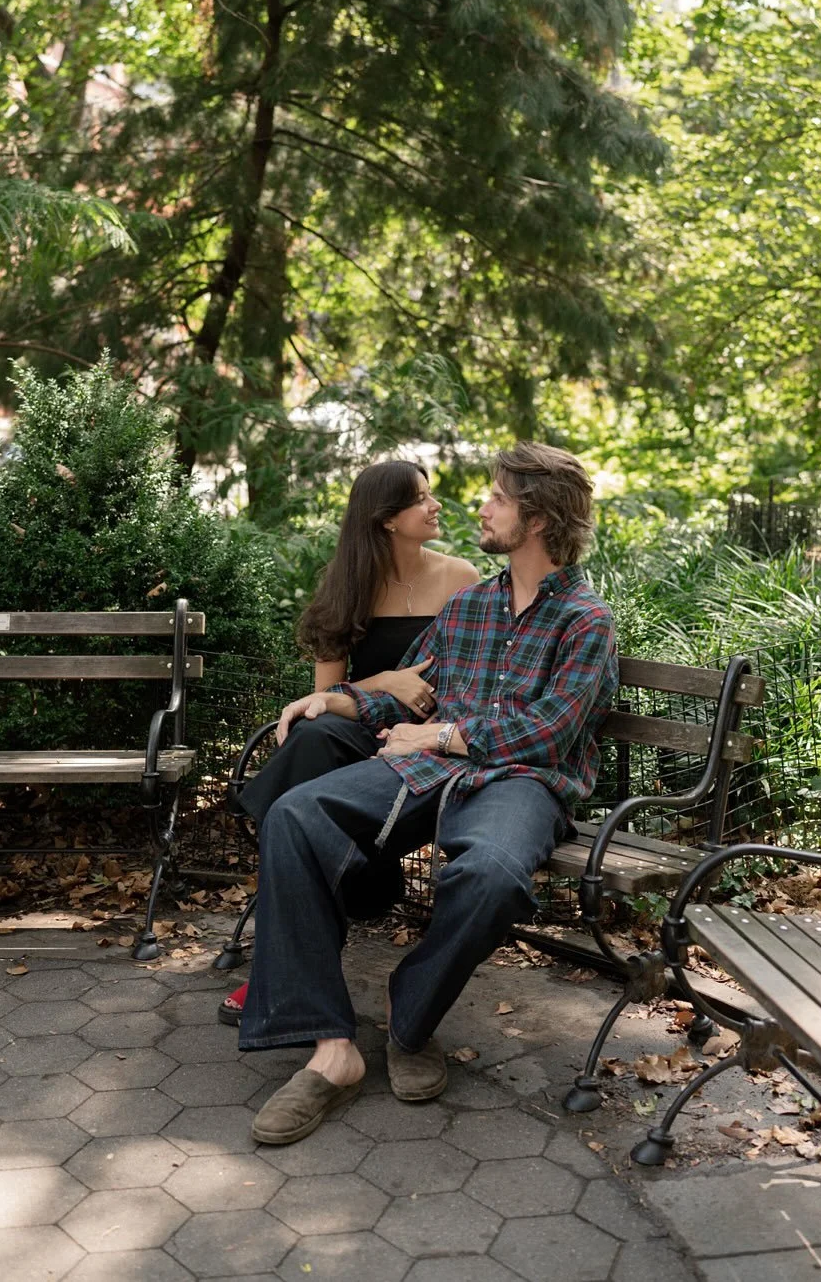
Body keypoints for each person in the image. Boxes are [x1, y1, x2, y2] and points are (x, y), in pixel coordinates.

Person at [240, 441, 619, 1145]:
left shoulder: (585, 621)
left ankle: (409, 1019)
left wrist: (442, 737)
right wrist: (336, 702)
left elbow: (550, 731)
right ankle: (332, 1048)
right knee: (295, 814)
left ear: (536, 517)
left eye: (499, 497)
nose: (483, 506)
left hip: (522, 785)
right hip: (427, 770)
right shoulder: (472, 605)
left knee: (492, 875)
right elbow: (421, 693)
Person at [218, 460, 478, 1023]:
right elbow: (326, 694)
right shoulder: (347, 584)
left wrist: (419, 725)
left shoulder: (462, 579)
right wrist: (385, 681)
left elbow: (475, 680)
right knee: (314, 736)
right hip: (360, 732)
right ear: (386, 519)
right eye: (421, 500)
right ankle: (302, 920)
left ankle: (295, 918)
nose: (436, 506)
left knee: (311, 759)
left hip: (429, 742)